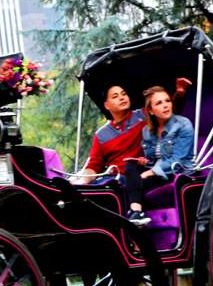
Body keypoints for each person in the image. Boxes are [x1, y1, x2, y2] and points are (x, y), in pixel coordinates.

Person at [72, 78, 191, 225]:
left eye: (123, 94)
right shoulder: (101, 135)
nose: (122, 97)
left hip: (142, 172)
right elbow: (93, 165)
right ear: (106, 105)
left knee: (129, 168)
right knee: (93, 188)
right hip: (115, 178)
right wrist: (83, 180)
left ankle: (135, 213)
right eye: (115, 96)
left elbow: (166, 112)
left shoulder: (143, 116)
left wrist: (180, 93)